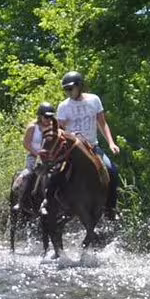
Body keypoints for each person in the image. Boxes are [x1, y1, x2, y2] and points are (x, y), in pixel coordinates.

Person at [55, 70, 120, 220]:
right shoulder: (63, 106)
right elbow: (60, 130)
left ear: (79, 86)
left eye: (70, 88)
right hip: (72, 150)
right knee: (55, 173)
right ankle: (53, 204)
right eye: (66, 89)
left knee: (112, 170)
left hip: (92, 147)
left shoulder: (94, 100)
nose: (68, 92)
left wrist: (111, 143)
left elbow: (102, 123)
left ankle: (110, 209)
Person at [12, 102, 56, 212]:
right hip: (34, 155)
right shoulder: (33, 127)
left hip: (50, 157)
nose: (48, 119)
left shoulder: (54, 128)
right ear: (40, 116)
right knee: (29, 173)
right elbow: (26, 143)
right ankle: (20, 201)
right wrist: (37, 153)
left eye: (51, 117)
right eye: (46, 117)